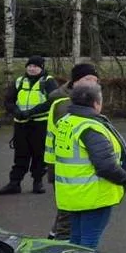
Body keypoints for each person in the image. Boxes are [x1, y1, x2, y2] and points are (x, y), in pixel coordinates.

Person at [53, 83, 126, 250]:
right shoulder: (90, 127)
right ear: (96, 103)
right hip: (93, 196)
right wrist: (125, 179)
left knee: (75, 240)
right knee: (89, 243)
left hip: (72, 194)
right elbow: (105, 166)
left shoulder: (66, 122)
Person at [44, 63, 100, 240]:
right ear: (74, 82)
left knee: (66, 211)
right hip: (67, 166)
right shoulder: (65, 105)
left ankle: (53, 239)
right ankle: (61, 252)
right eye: (87, 79)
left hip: (69, 165)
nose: (91, 84)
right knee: (69, 215)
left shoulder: (79, 101)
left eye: (95, 80)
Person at [0, 56, 58, 195]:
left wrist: (31, 112)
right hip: (21, 124)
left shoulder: (48, 81)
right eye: (29, 66)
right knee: (20, 154)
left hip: (40, 123)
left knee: (39, 154)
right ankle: (14, 183)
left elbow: (52, 101)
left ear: (42, 68)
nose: (32, 69)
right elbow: (9, 100)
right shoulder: (20, 81)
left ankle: (37, 182)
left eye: (35, 66)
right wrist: (15, 111)